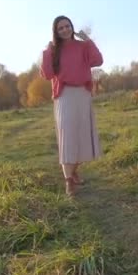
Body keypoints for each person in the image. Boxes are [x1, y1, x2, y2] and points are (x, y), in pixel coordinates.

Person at [40, 15, 103, 196]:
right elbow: (47, 74)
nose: (65, 30)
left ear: (72, 27)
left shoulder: (83, 47)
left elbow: (98, 61)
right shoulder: (54, 51)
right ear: (56, 32)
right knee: (68, 136)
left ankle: (74, 170)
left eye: (67, 26)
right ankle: (68, 181)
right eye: (61, 28)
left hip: (83, 93)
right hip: (64, 95)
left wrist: (89, 41)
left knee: (82, 135)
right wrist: (47, 51)